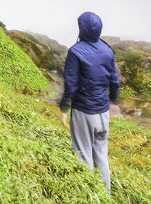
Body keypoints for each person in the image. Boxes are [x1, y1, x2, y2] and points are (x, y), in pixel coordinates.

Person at [59, 11, 120, 195]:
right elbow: (115, 81)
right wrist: (114, 102)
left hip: (84, 112)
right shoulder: (108, 50)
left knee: (83, 155)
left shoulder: (76, 52)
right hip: (103, 113)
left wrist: (64, 108)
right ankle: (105, 195)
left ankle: (88, 196)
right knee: (101, 155)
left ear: (81, 29)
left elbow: (71, 85)